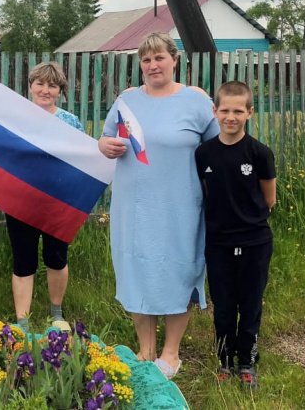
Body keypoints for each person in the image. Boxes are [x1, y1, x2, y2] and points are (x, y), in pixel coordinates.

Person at [98, 32, 219, 380]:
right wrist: (105, 144)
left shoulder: (196, 102)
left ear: (174, 59)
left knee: (177, 271)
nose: (153, 65)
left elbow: (218, 150)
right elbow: (106, 136)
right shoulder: (127, 100)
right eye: (146, 60)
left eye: (159, 58)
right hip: (133, 207)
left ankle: (171, 353)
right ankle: (146, 348)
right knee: (137, 271)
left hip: (181, 206)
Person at [194, 80, 276, 389]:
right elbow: (206, 194)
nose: (231, 116)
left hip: (255, 242)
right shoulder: (204, 154)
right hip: (218, 243)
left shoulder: (260, 153)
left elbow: (269, 199)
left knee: (250, 304)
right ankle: (224, 361)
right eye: (225, 110)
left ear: (250, 113)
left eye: (238, 111)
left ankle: (247, 362)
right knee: (224, 306)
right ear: (214, 111)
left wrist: (248, 222)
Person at [7, 62, 85, 333]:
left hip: (57, 203)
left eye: (52, 85)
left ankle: (56, 314)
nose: (45, 89)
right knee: (23, 260)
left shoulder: (70, 122)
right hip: (21, 203)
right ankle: (23, 322)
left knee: (57, 258)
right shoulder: (14, 119)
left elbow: (82, 162)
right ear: (30, 87)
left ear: (59, 91)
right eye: (40, 83)